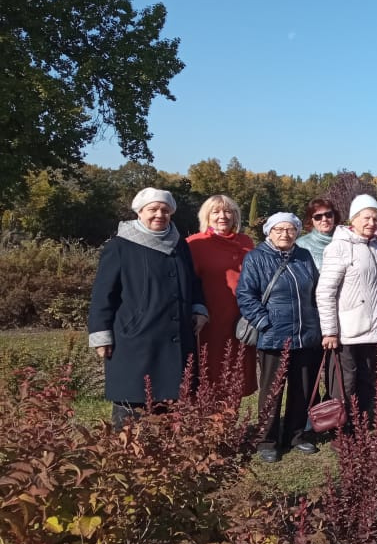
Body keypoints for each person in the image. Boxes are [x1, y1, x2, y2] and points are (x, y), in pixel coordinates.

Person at [88, 188, 208, 429]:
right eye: (152, 209)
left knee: (171, 399)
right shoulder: (120, 246)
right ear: (139, 212)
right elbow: (103, 294)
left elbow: (193, 281)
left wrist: (199, 308)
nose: (159, 215)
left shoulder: (179, 245)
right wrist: (101, 336)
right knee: (132, 402)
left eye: (165, 210)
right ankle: (126, 456)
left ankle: (163, 453)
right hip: (135, 338)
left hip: (175, 336)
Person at [236, 212, 323, 463]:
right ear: (269, 232)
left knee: (302, 389)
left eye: (290, 229)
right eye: (279, 229)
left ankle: (296, 435)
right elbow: (246, 295)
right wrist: (265, 323)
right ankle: (267, 439)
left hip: (305, 335)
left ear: (297, 232)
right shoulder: (256, 258)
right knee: (272, 390)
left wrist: (317, 324)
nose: (285, 234)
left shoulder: (303, 256)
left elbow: (315, 291)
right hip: (274, 336)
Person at [316, 194, 377, 424]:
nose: (371, 223)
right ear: (354, 219)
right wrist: (329, 331)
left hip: (374, 329)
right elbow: (325, 291)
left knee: (368, 379)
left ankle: (363, 424)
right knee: (346, 382)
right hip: (347, 331)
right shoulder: (340, 247)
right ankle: (343, 431)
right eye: (366, 217)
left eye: (376, 218)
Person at [186, 194, 256, 400]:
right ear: (206, 216)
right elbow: (188, 283)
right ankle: (205, 427)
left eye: (228, 211)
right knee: (209, 370)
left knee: (236, 372)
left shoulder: (246, 242)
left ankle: (229, 427)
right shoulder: (194, 244)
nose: (222, 216)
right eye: (216, 212)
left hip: (241, 319)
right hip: (209, 318)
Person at [295, 198, 341, 270]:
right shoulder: (301, 245)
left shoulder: (347, 239)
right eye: (318, 217)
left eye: (328, 215)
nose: (324, 219)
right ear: (311, 220)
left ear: (334, 216)